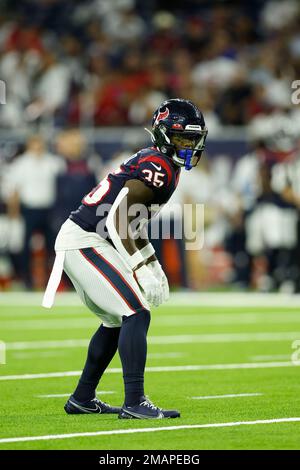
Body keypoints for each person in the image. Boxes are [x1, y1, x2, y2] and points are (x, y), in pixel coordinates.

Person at [43, 99, 208, 419]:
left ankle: (82, 398)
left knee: (116, 319)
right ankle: (135, 401)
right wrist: (139, 268)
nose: (190, 146)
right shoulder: (158, 166)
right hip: (86, 240)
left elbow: (133, 222)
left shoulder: (164, 164)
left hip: (93, 240)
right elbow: (119, 219)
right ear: (163, 135)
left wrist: (153, 265)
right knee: (136, 313)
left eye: (194, 138)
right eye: (183, 138)